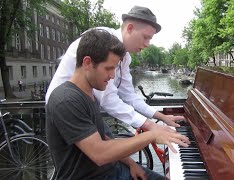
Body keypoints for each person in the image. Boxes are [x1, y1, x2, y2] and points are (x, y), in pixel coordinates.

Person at [46, 29, 189, 179]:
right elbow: (100, 153)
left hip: (112, 170)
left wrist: (131, 164)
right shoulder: (66, 100)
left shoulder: (88, 94)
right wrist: (152, 134)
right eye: (108, 68)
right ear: (87, 63)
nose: (112, 75)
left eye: (114, 68)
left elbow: (103, 138)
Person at [45, 6, 184, 132]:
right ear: (130, 28)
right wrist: (151, 125)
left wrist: (162, 117)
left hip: (86, 109)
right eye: (146, 37)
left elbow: (128, 95)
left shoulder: (125, 56)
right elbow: (108, 99)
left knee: (115, 153)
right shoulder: (102, 43)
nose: (148, 44)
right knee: (103, 154)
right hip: (65, 110)